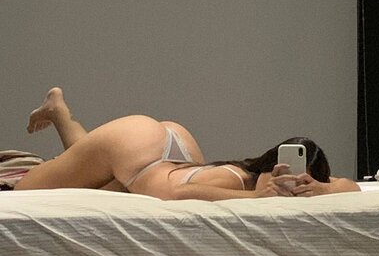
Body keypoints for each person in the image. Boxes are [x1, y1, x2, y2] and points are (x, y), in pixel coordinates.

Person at [15, 87, 359, 199]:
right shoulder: (242, 181)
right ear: (273, 165)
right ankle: (60, 111)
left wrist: (321, 189)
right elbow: (182, 194)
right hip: (144, 152)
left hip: (165, 157)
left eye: (300, 183)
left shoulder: (258, 177)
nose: (290, 186)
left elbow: (351, 188)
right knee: (25, 189)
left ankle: (58, 112)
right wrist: (255, 198)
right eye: (286, 177)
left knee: (87, 176)